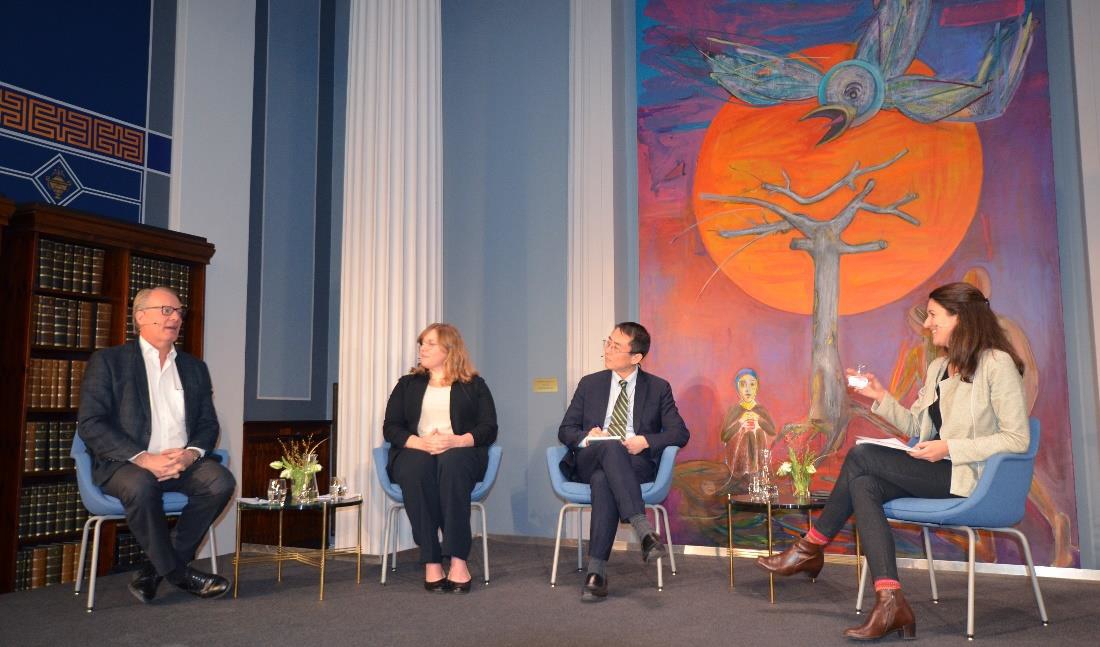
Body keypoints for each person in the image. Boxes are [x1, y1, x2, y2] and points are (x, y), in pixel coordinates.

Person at [756, 282, 1030, 640]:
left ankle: (811, 546)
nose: (927, 324)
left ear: (960, 317)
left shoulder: (997, 363)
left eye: (933, 315)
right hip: (937, 470)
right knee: (864, 484)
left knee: (861, 455)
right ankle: (890, 602)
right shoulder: (939, 367)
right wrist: (880, 396)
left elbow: (1017, 438)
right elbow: (917, 426)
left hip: (970, 477)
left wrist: (949, 447)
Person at [78, 287, 236, 603]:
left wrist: (190, 455)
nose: (175, 317)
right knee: (141, 485)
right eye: (167, 310)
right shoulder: (109, 361)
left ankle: (154, 571)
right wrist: (142, 458)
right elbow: (91, 423)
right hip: (126, 465)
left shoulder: (194, 368)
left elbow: (208, 424)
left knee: (220, 482)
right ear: (140, 317)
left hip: (179, 464)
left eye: (179, 311)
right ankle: (179, 574)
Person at [558, 321, 690, 602]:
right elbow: (565, 430)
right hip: (590, 458)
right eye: (608, 342)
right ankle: (643, 529)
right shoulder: (590, 384)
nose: (607, 349)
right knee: (609, 446)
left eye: (615, 346)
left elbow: (680, 433)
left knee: (603, 479)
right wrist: (587, 436)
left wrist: (646, 441)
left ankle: (596, 574)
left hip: (633, 463)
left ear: (636, 357)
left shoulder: (657, 388)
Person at [382, 323, 497, 593]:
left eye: (431, 343)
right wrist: (420, 443)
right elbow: (391, 427)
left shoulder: (474, 385)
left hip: (459, 451)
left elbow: (489, 428)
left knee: (453, 464)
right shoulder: (407, 384)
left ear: (449, 349)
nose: (423, 348)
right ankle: (431, 560)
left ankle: (458, 560)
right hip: (416, 449)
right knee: (415, 468)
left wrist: (456, 440)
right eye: (422, 343)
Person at [719, 368, 776, 487]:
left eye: (752, 384)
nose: (747, 389)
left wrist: (759, 421)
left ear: (757, 388)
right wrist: (740, 423)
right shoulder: (734, 410)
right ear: (737, 388)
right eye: (743, 384)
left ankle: (756, 473)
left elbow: (772, 431)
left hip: (760, 462)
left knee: (756, 432)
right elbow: (724, 436)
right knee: (747, 433)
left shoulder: (760, 410)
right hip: (738, 462)